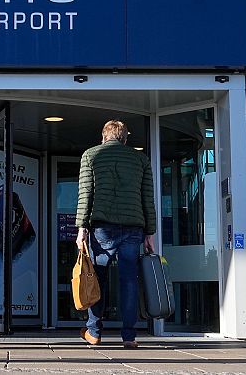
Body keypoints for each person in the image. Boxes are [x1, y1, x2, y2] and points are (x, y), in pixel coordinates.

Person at [75, 120, 156, 349]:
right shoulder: (141, 159)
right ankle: (129, 336)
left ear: (104, 136)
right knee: (129, 281)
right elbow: (147, 198)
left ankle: (94, 331)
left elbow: (85, 194)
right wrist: (150, 233)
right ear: (125, 138)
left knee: (95, 278)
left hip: (102, 227)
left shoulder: (91, 155)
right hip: (133, 227)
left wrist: (81, 228)